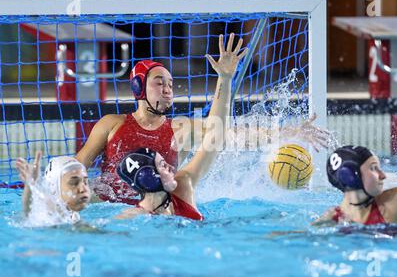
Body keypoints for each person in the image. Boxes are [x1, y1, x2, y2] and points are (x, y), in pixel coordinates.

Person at [76, 32, 329, 205]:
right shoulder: (112, 124)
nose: (167, 89)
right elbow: (77, 167)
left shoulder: (181, 130)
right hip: (107, 211)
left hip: (161, 214)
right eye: (159, 82)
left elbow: (229, 135)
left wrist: (285, 133)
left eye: (171, 84)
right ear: (138, 86)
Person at [114, 33, 248, 220]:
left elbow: (215, 135)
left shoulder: (183, 184)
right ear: (149, 177)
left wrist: (224, 79)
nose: (171, 167)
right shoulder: (129, 218)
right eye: (162, 165)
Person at [313, 145, 397, 226]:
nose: (383, 175)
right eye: (373, 168)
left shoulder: (396, 200)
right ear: (351, 176)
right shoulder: (331, 220)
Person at [15, 151, 91, 223]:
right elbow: (28, 213)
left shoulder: (72, 215)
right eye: (74, 183)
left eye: (85, 182)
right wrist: (30, 185)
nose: (83, 189)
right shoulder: (48, 214)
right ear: (54, 187)